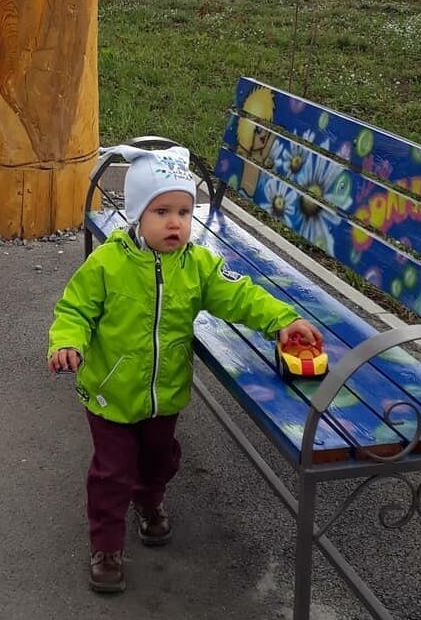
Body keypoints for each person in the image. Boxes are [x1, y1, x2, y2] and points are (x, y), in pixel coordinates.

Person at [47, 145, 324, 594]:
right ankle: (106, 545)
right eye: (161, 211)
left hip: (166, 392)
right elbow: (75, 310)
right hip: (110, 393)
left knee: (159, 459)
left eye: (184, 210)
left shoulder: (198, 266)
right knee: (112, 472)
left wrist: (282, 320)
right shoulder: (108, 264)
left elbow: (241, 296)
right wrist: (67, 343)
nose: (175, 222)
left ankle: (150, 499)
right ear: (136, 215)